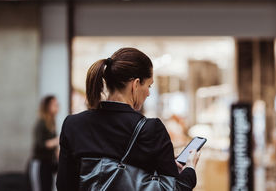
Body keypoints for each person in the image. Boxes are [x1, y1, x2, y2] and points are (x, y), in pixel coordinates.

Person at [56, 47, 201, 190]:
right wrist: (190, 169)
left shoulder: (73, 124)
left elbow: (64, 185)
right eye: (149, 86)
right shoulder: (151, 130)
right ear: (136, 84)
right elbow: (175, 187)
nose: (149, 94)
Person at [29, 95, 59, 191]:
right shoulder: (41, 123)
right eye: (54, 104)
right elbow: (40, 144)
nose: (57, 106)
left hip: (48, 165)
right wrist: (57, 140)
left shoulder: (52, 123)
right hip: (39, 164)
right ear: (47, 106)